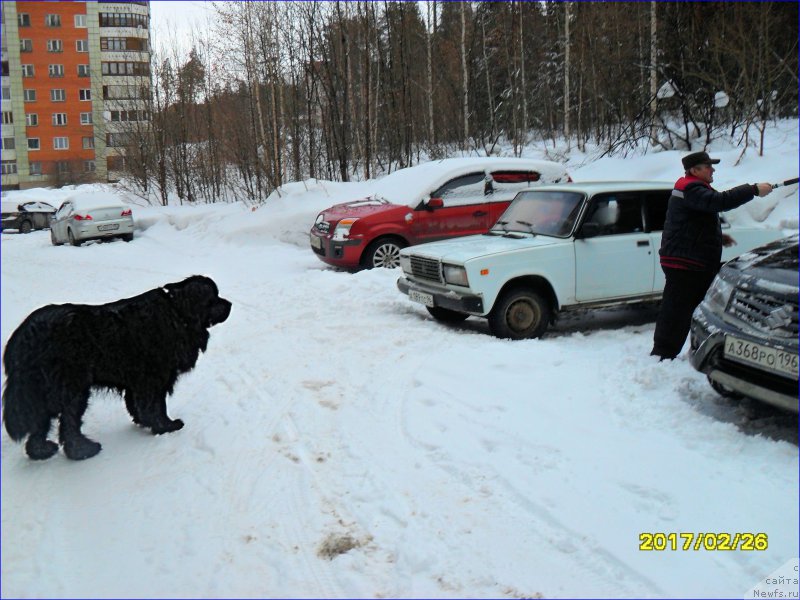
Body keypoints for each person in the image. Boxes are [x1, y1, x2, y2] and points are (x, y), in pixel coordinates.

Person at [650, 151, 773, 360]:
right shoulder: (691, 188)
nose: (712, 169)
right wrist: (752, 190)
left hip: (690, 259)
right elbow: (719, 201)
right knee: (678, 310)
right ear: (694, 170)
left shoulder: (690, 188)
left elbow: (694, 220)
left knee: (705, 308)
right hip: (686, 262)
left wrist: (718, 237)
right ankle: (662, 355)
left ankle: (705, 349)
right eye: (707, 166)